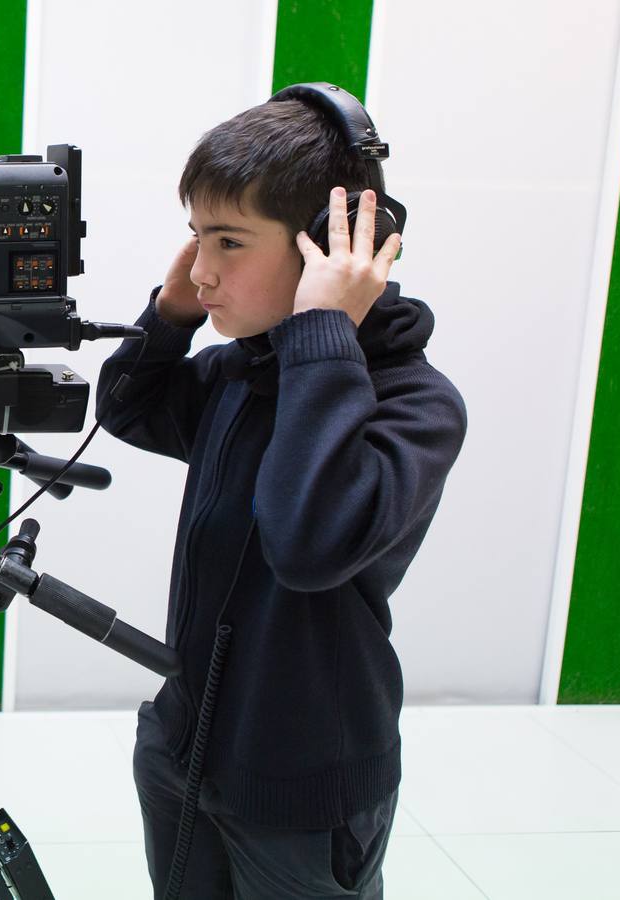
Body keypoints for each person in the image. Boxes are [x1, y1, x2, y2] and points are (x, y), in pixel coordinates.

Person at [96, 89, 468, 899]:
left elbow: (308, 545)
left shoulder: (414, 403)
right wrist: (170, 313)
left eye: (228, 241)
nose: (202, 268)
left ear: (334, 247)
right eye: (196, 236)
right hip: (181, 747)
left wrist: (321, 335)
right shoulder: (242, 372)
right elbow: (128, 408)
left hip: (304, 792)